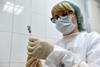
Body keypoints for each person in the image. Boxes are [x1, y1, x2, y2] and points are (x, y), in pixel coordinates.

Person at [26, 1, 100, 67]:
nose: (59, 20)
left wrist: (58, 55)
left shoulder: (92, 39)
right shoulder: (56, 45)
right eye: (56, 17)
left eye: (64, 14)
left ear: (76, 16)